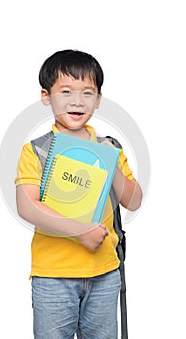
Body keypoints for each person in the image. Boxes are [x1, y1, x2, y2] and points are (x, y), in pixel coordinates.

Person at [15, 49, 142, 339]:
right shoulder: (35, 150)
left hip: (105, 273)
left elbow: (133, 201)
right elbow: (27, 206)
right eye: (66, 91)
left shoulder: (110, 146)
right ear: (46, 96)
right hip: (53, 276)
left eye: (87, 93)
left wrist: (114, 167)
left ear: (98, 99)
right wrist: (81, 231)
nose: (76, 101)